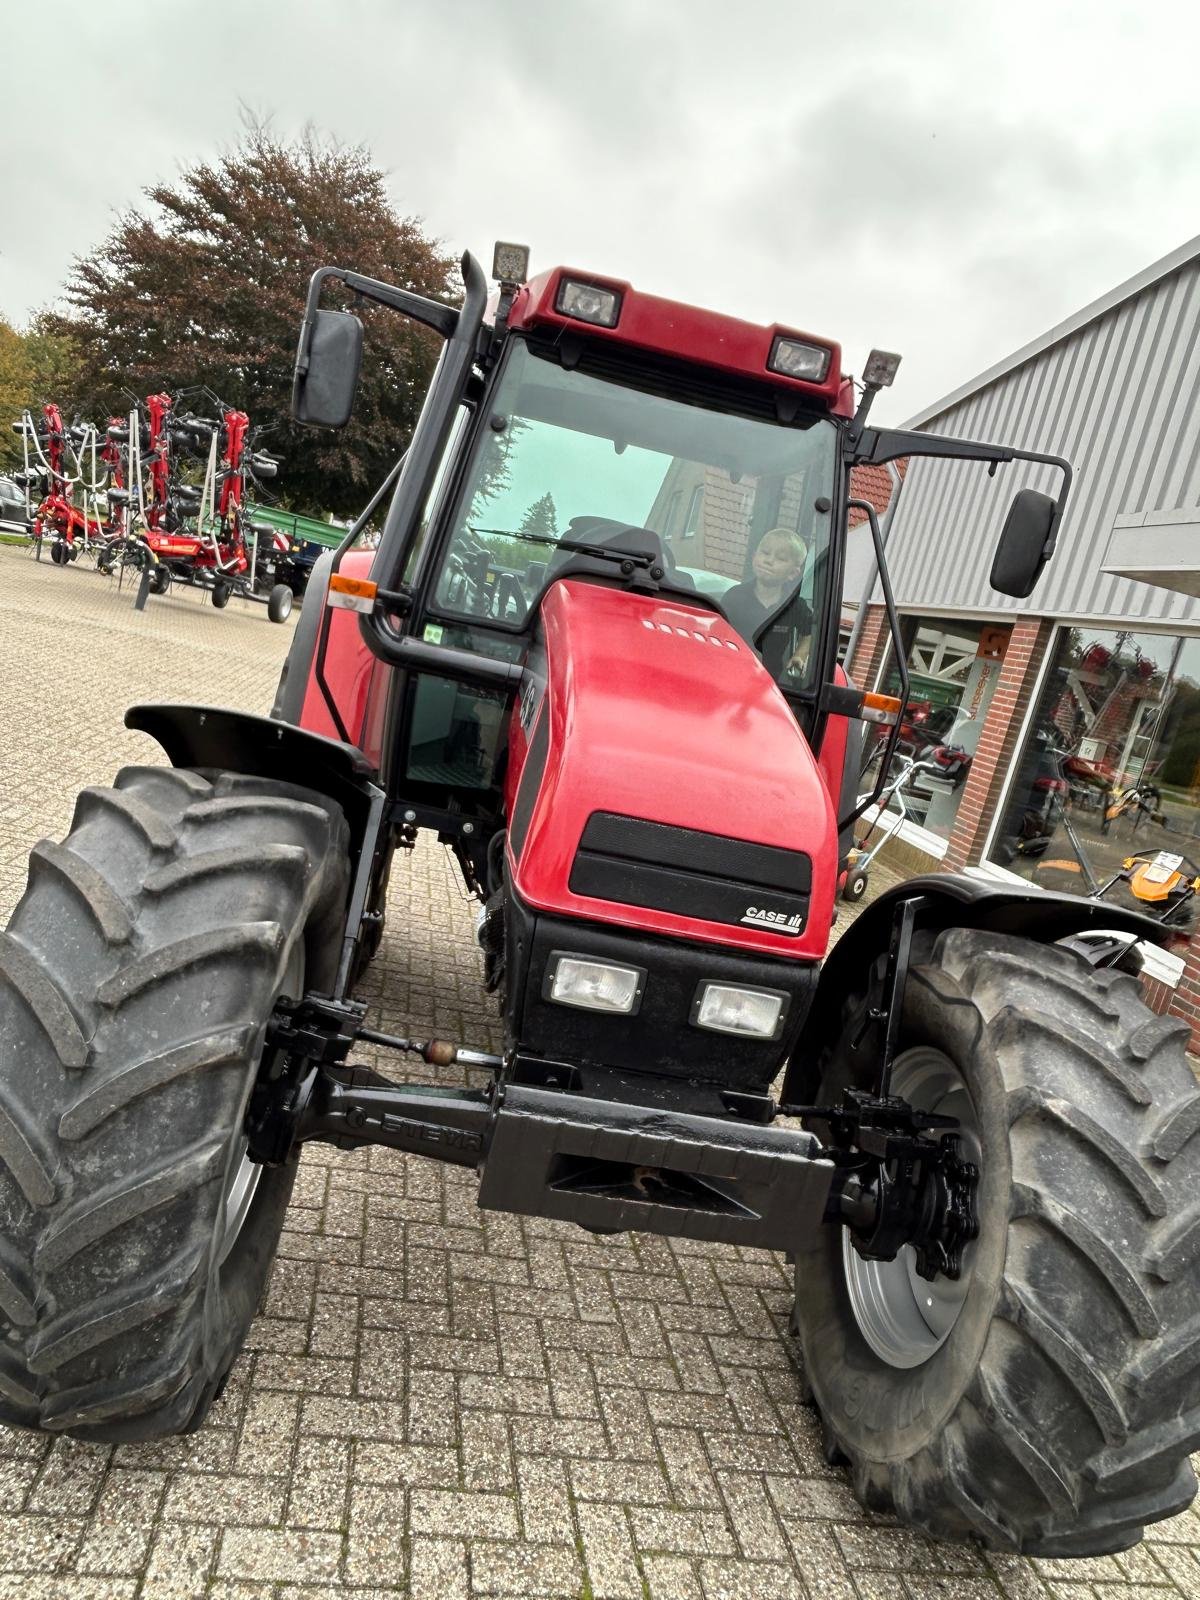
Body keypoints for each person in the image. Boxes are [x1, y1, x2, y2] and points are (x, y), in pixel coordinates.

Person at [721, 526, 812, 679]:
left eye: (781, 558)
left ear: (793, 573)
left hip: (768, 682)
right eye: (765, 553)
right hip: (728, 672)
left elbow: (808, 633)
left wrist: (800, 655)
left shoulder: (795, 606)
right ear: (754, 557)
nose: (769, 561)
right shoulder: (733, 597)